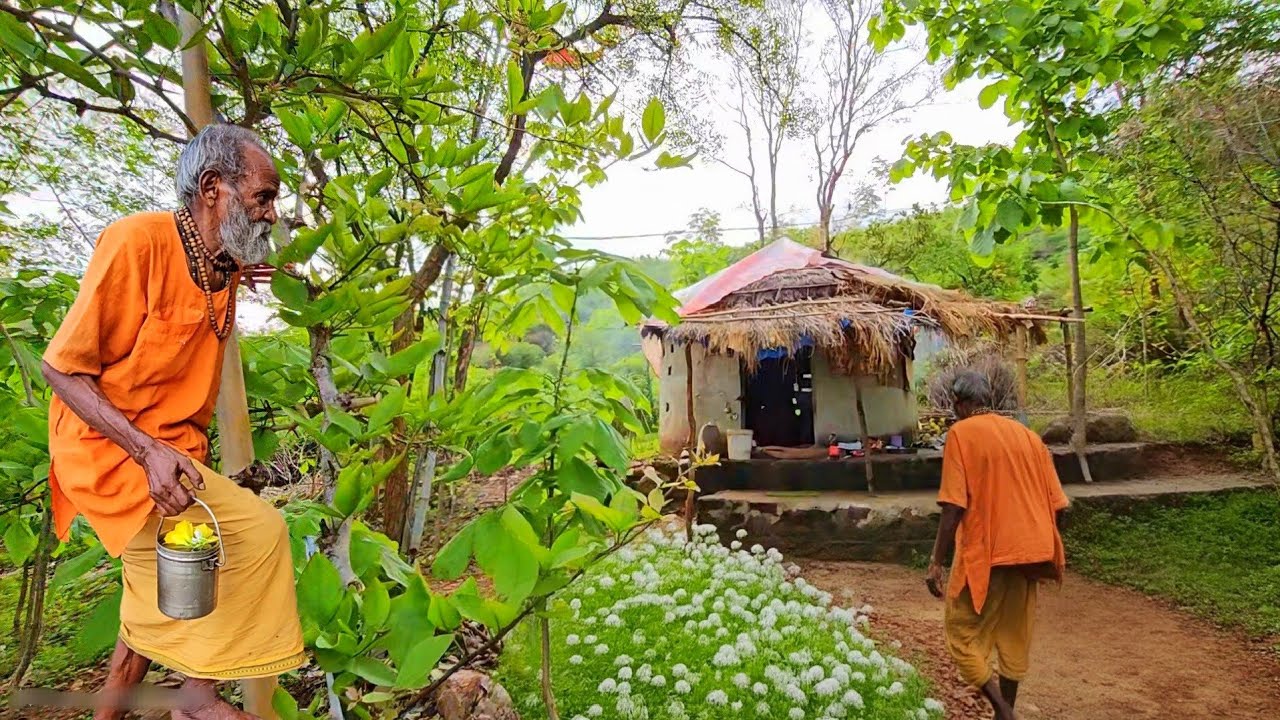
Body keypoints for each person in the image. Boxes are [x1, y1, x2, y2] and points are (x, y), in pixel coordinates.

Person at [42, 124, 305, 720]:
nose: (272, 212)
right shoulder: (136, 243)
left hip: (175, 450)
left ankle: (150, 702)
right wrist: (145, 451)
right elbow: (61, 369)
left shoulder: (223, 260)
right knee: (252, 535)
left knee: (169, 577)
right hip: (108, 448)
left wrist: (258, 263)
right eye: (263, 196)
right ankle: (198, 696)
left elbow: (223, 277)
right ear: (213, 188)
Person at [924, 371, 1069, 720]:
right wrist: (1045, 546)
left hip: (988, 554)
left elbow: (954, 506)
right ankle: (1008, 710)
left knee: (960, 633)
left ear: (958, 404)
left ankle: (1004, 711)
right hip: (1032, 550)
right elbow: (1059, 504)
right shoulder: (1028, 436)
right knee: (1013, 634)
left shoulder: (960, 433)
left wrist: (936, 562)